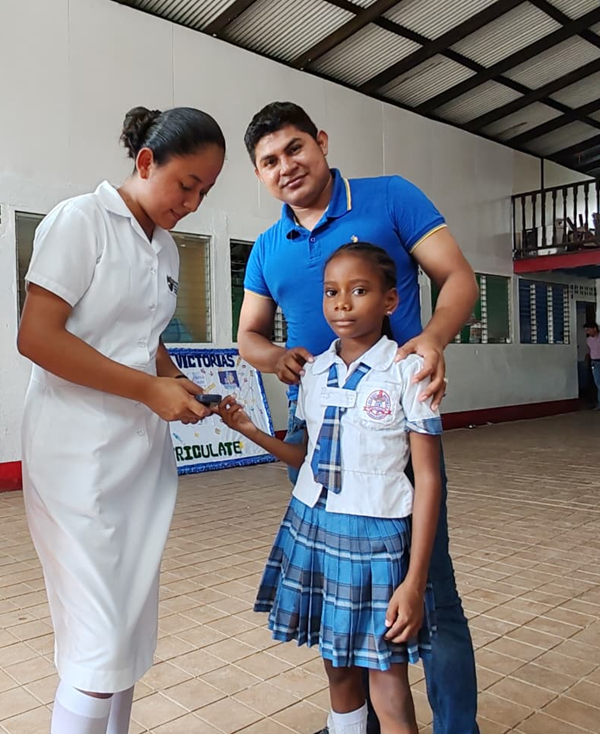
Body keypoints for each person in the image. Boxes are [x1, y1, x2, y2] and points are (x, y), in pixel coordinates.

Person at [237, 102, 480, 734]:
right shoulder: (269, 245)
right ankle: (358, 725)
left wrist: (431, 340)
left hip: (388, 429)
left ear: (321, 141)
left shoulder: (391, 197)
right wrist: (277, 357)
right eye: (269, 161)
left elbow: (457, 277)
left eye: (294, 149)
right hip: (315, 430)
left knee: (428, 596)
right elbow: (249, 337)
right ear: (258, 174)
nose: (285, 167)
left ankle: (457, 727)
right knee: (340, 597)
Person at [16, 106, 225, 734]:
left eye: (205, 192)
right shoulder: (81, 221)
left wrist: (173, 382)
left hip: (138, 462)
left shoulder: (165, 248)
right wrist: (147, 388)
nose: (191, 202)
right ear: (144, 163)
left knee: (128, 632)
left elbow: (143, 338)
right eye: (185, 184)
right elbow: (37, 337)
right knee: (97, 641)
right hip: (76, 460)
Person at [219, 243, 441, 734]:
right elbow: (308, 460)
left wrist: (414, 581)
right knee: (335, 659)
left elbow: (428, 479)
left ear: (389, 301)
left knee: (386, 674)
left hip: (375, 536)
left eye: (359, 291)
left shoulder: (408, 372)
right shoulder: (313, 372)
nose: (342, 303)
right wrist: (252, 431)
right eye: (331, 292)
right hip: (312, 525)